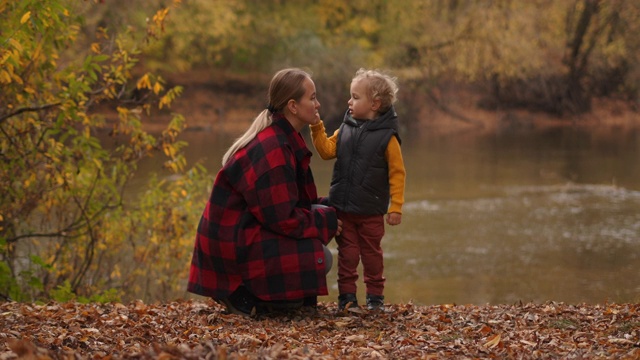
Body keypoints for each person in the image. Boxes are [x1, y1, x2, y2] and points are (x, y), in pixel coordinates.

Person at [188, 68, 342, 316]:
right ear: (292, 106)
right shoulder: (274, 148)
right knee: (321, 255)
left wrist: (336, 207)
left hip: (243, 234)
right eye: (312, 97)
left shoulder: (283, 138)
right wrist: (329, 220)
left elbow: (297, 204)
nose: (318, 104)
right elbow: (284, 219)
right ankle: (240, 293)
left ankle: (272, 298)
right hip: (231, 249)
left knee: (322, 215)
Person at [310, 68, 406, 311]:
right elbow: (325, 151)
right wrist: (316, 128)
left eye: (355, 97)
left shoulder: (388, 137)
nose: (349, 101)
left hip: (371, 211)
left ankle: (375, 298)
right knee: (347, 256)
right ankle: (347, 298)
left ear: (374, 103)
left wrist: (396, 206)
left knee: (372, 256)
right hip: (344, 209)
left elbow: (397, 173)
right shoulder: (345, 129)